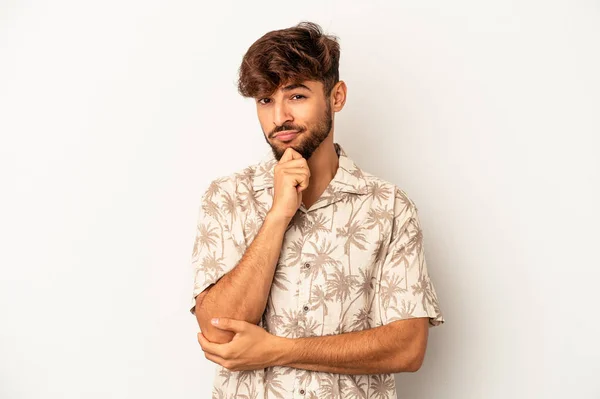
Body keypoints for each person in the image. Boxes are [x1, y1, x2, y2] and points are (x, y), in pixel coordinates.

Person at [189, 21, 444, 399]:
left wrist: (278, 350)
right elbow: (218, 333)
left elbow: (407, 346)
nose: (279, 117)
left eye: (295, 96)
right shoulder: (228, 197)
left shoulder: (388, 206)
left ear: (336, 96)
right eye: (265, 100)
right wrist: (277, 216)